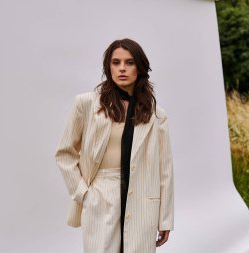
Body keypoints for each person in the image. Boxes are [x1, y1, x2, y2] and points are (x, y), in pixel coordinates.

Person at [55, 38, 174, 253]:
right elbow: (65, 153)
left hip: (142, 200)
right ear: (108, 67)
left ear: (140, 67)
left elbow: (164, 169)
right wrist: (84, 193)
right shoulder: (87, 104)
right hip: (100, 195)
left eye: (129, 62)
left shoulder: (156, 114)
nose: (122, 68)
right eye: (115, 62)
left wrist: (165, 218)